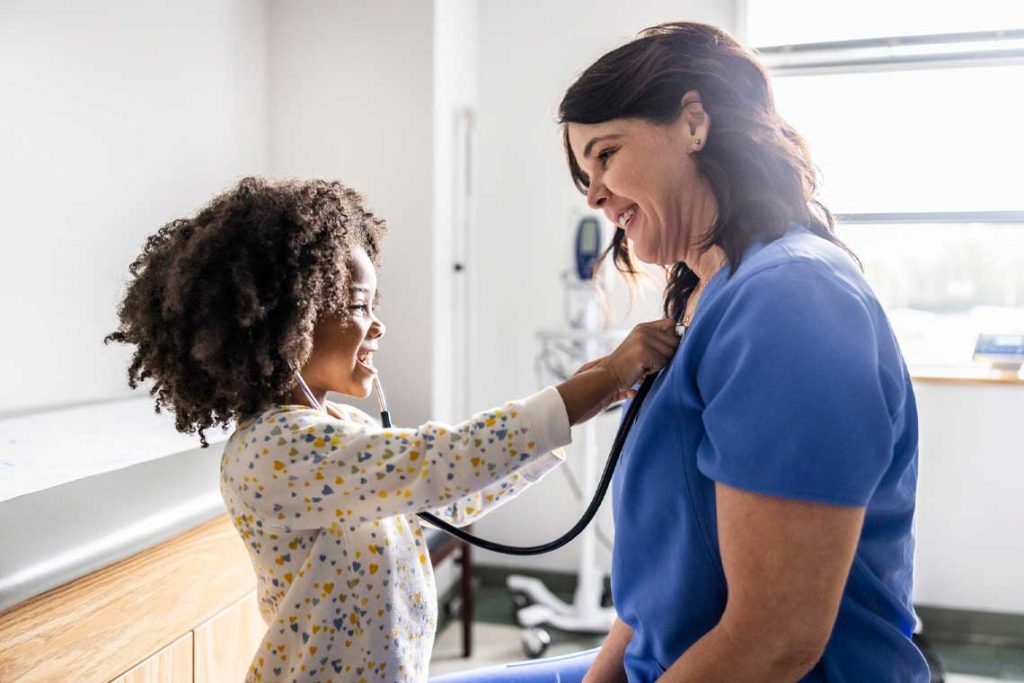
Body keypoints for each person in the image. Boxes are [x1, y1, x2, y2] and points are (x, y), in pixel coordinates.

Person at [433, 21, 928, 683]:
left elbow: (774, 640)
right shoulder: (714, 296)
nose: (594, 195)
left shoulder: (792, 301)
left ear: (694, 122)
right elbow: (660, 595)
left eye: (606, 154)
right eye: (584, 173)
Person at [106, 177, 680, 682]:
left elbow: (445, 496)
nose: (377, 324)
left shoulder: (340, 426)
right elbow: (442, 460)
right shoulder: (274, 448)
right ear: (289, 318)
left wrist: (573, 408)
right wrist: (599, 380)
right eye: (358, 304)